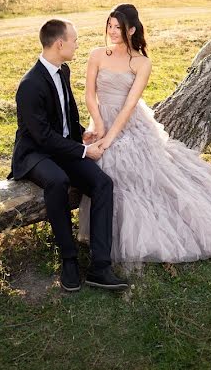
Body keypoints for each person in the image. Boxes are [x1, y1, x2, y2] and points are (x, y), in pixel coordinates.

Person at [78, 4, 211, 266]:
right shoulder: (96, 54)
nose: (112, 31)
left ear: (131, 29)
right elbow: (89, 94)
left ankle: (145, 232)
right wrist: (98, 126)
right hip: (100, 120)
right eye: (109, 26)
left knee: (123, 161)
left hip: (128, 123)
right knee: (98, 160)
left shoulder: (141, 62)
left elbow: (129, 105)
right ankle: (105, 231)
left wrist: (110, 136)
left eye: (118, 27)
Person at [8, 19, 128, 292]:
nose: (77, 44)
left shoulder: (63, 70)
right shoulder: (30, 84)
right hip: (36, 154)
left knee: (103, 183)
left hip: (64, 147)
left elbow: (67, 113)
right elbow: (42, 137)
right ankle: (69, 259)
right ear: (60, 44)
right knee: (58, 181)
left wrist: (82, 133)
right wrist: (84, 151)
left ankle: (100, 266)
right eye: (74, 40)